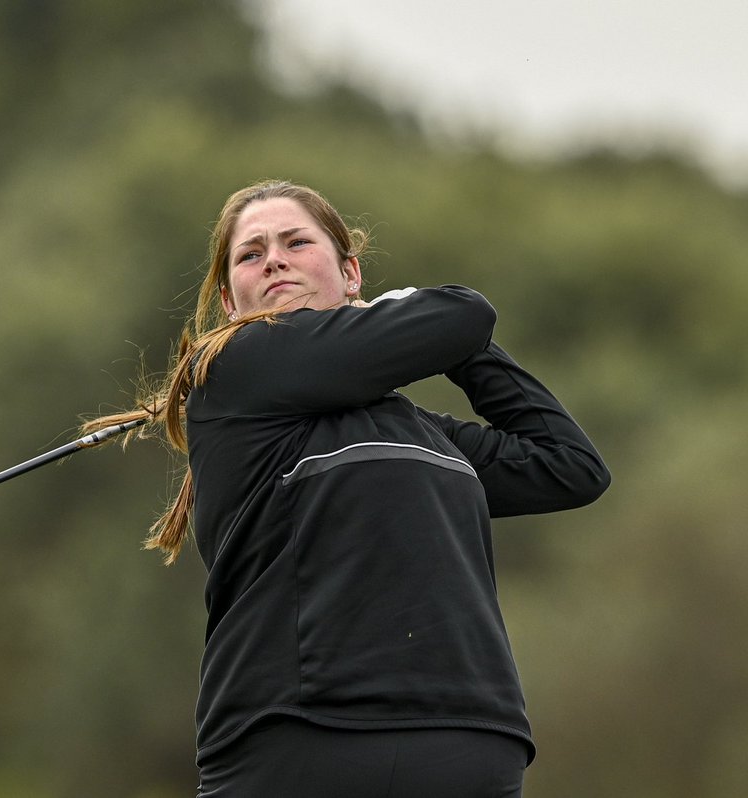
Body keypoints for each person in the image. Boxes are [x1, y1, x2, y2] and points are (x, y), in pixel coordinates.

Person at [85, 179, 611, 797]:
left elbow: (569, 466)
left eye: (296, 242)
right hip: (298, 734)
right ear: (231, 302)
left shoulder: (423, 434)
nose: (274, 258)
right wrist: (426, 324)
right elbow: (464, 312)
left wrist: (462, 350)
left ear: (351, 272)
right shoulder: (232, 370)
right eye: (251, 254)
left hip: (466, 736)